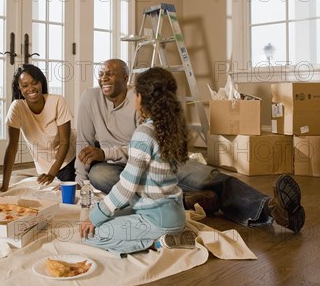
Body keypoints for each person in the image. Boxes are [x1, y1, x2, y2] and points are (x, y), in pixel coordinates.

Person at [76, 59, 305, 233]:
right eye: (101, 74)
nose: (104, 78)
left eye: (110, 74)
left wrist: (105, 152)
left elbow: (143, 145)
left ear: (126, 79)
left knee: (208, 177)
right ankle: (187, 199)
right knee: (100, 174)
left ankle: (271, 209)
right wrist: (78, 183)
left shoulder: (140, 101)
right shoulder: (89, 98)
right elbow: (84, 144)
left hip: (154, 160)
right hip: (117, 166)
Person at [79, 67, 198, 256]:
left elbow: (126, 188)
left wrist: (94, 218)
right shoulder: (174, 129)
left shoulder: (144, 133)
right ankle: (169, 237)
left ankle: (156, 244)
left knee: (92, 233)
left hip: (155, 218)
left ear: (141, 98)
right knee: (107, 216)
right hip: (175, 214)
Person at [0, 64, 76, 191]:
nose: (31, 88)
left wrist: (52, 173)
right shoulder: (17, 107)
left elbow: (65, 142)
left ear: (41, 82)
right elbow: (12, 147)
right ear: (19, 88)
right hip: (45, 168)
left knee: (75, 189)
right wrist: (4, 185)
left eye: (34, 83)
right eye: (25, 85)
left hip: (71, 157)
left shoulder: (58, 101)